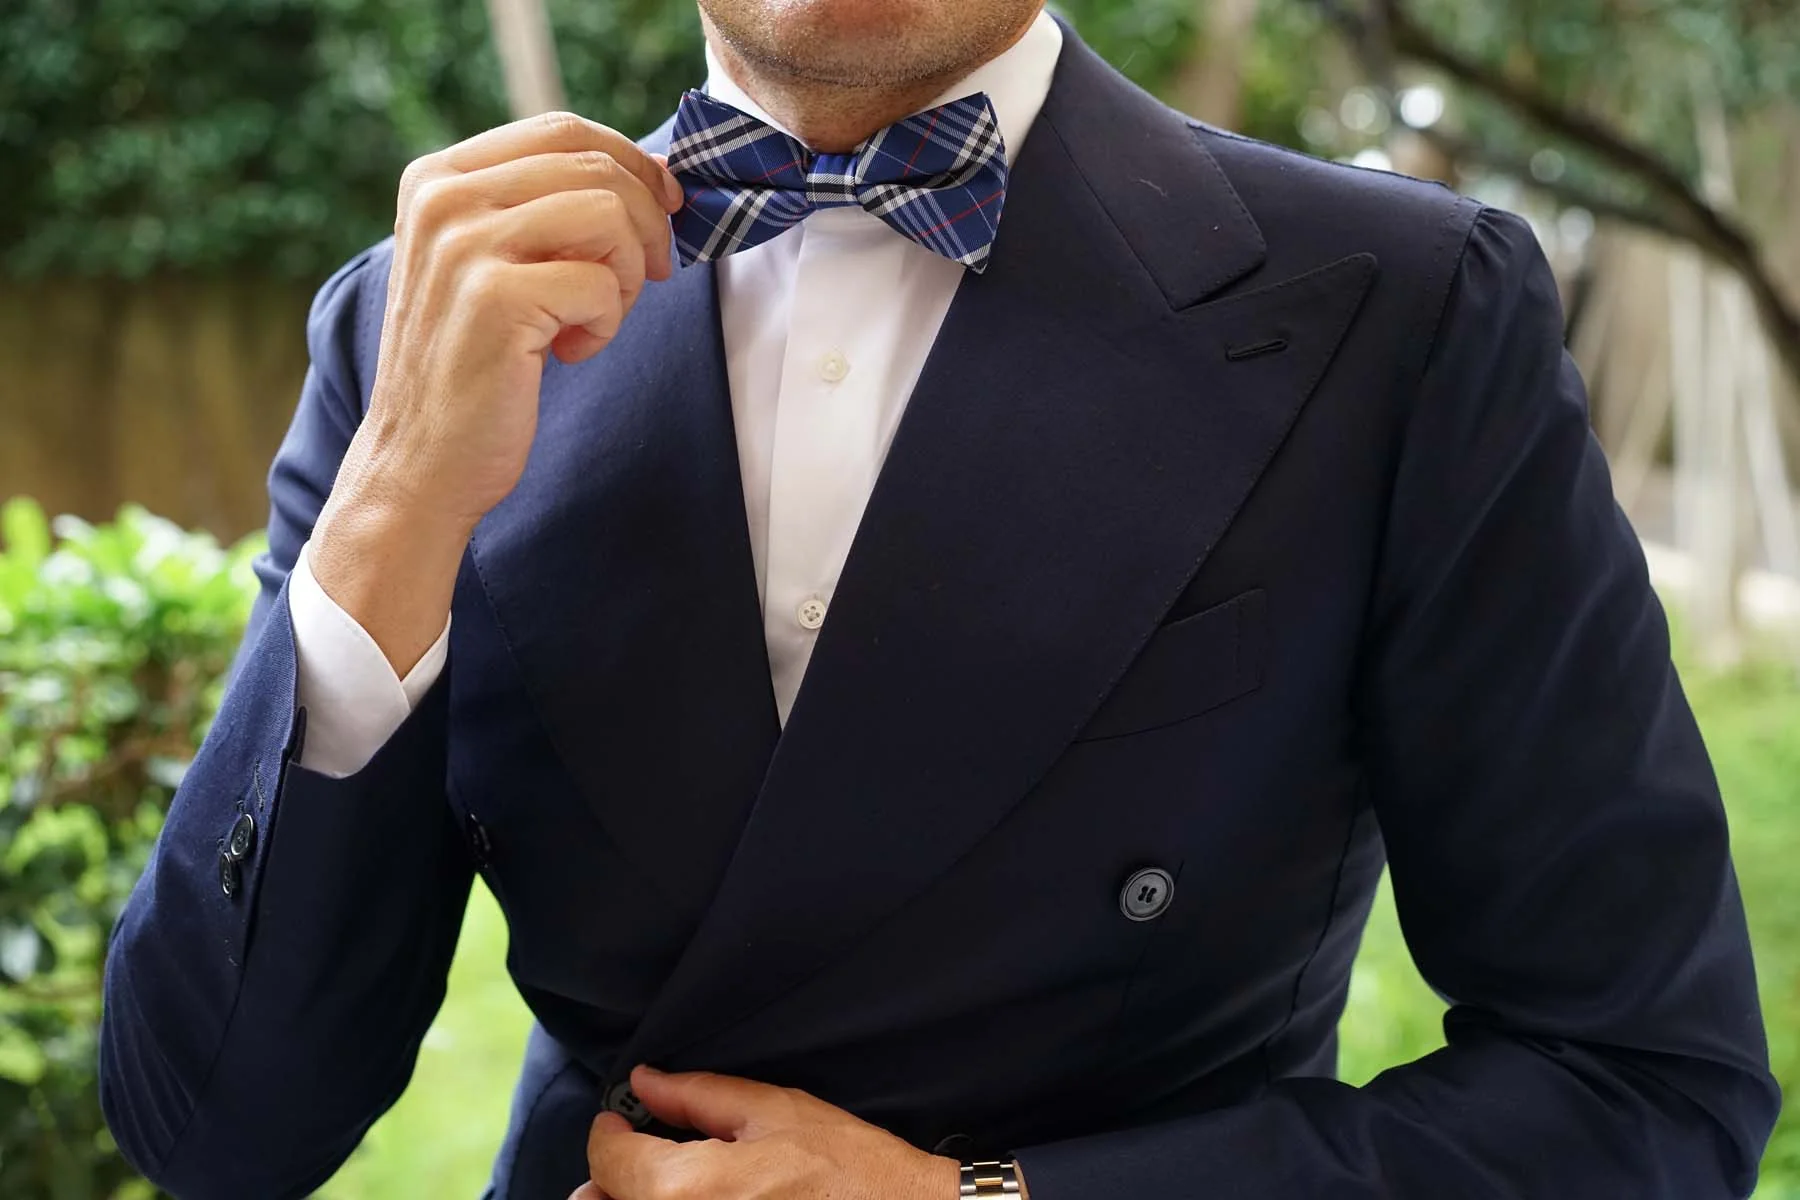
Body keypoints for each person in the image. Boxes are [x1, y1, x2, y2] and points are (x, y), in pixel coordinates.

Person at [98, 1, 1780, 1197]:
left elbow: (1638, 1091)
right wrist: (397, 494)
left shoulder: (1404, 311)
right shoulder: (411, 322)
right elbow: (218, 1133)